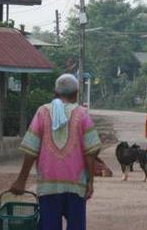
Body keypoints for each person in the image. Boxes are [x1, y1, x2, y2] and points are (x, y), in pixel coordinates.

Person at [9, 74, 101, 230]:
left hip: (48, 185)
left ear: (55, 92)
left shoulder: (42, 112)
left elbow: (31, 150)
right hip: (76, 185)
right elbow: (90, 152)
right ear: (76, 93)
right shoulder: (82, 114)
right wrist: (90, 182)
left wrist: (21, 180)